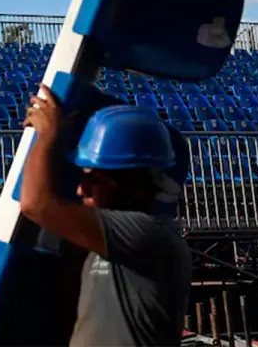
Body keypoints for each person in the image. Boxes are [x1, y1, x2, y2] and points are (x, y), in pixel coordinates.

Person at [20, 86, 191, 347]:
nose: (81, 189)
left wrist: (49, 135)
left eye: (94, 179)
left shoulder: (147, 233)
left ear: (134, 183)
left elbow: (35, 204)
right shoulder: (110, 239)